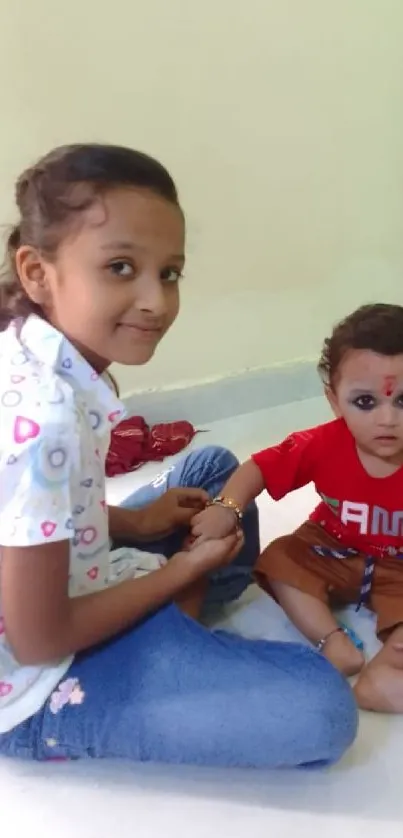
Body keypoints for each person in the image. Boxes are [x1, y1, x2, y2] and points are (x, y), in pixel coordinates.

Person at [0, 144, 357, 766]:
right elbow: (38, 639)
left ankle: (168, 621)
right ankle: (164, 631)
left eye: (168, 273)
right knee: (319, 709)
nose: (156, 301)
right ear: (36, 272)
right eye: (119, 268)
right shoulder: (46, 419)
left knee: (213, 469)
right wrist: (179, 574)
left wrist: (136, 524)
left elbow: (31, 511)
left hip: (59, 568)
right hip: (33, 673)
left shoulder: (36, 351)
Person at [193, 303, 403, 714]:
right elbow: (259, 466)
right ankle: (331, 640)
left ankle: (386, 677)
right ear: (334, 401)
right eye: (365, 402)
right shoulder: (323, 443)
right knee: (282, 558)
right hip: (330, 546)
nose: (387, 420)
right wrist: (227, 506)